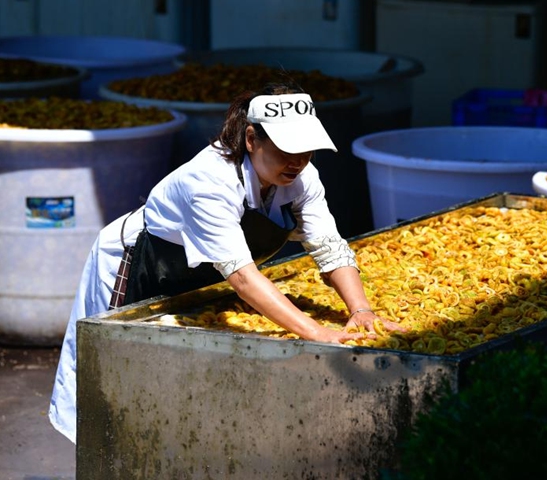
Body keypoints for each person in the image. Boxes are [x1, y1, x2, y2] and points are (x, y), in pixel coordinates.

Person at [49, 82, 405, 444]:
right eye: (286, 148)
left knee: (182, 396)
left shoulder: (301, 177)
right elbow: (243, 277)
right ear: (251, 139)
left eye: (306, 149)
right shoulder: (208, 180)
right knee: (117, 384)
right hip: (137, 269)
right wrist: (318, 333)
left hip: (199, 279)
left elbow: (329, 247)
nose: (297, 160)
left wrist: (360, 310)